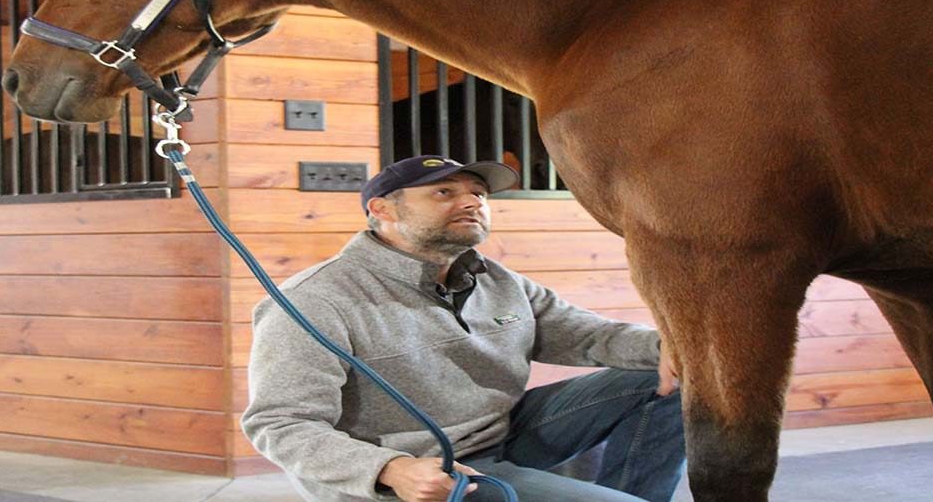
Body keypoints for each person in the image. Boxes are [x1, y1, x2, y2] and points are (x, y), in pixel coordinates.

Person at [242, 155, 686, 502]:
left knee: (673, 377)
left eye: (478, 193)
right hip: (417, 472)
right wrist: (390, 469)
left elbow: (589, 336)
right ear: (382, 209)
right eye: (443, 192)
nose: (473, 201)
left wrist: (670, 348)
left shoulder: (496, 279)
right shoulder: (314, 301)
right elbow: (281, 423)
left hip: (504, 434)